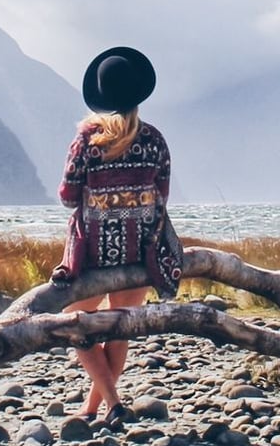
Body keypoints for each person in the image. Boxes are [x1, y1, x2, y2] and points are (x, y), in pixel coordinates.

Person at [51, 46, 183, 426]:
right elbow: (163, 194)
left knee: (78, 324)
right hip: (140, 251)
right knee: (119, 329)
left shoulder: (87, 141)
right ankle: (105, 405)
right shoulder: (155, 140)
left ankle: (106, 404)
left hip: (94, 253)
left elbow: (67, 196)